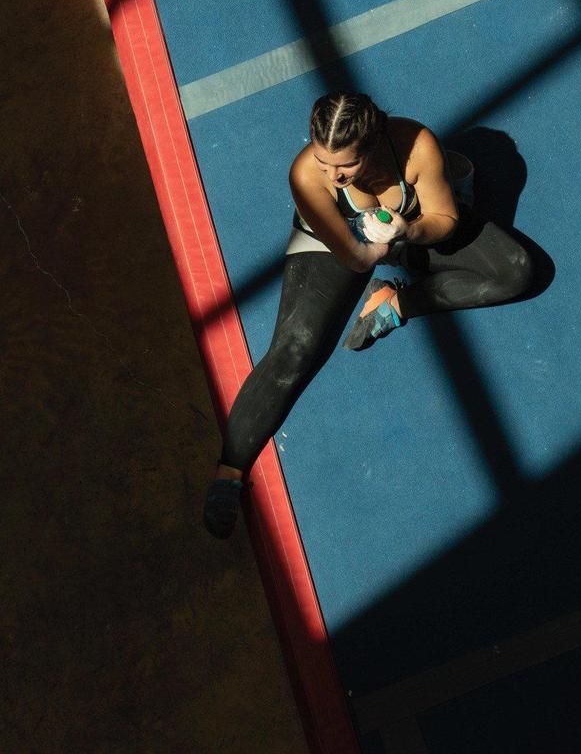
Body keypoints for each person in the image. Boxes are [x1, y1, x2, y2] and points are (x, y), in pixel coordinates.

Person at [202, 92, 534, 539]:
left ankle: (397, 303)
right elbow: (356, 258)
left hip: (403, 228)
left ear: (374, 144)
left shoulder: (416, 146)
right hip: (342, 242)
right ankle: (230, 472)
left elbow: (444, 219)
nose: (333, 176)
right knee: (295, 349)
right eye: (323, 162)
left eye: (345, 167)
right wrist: (384, 248)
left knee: (516, 272)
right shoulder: (307, 177)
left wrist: (408, 230)